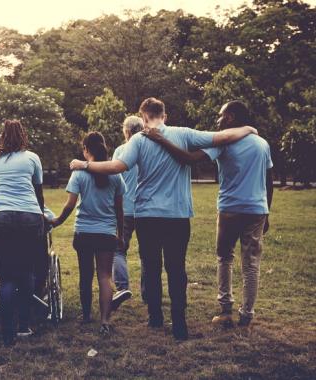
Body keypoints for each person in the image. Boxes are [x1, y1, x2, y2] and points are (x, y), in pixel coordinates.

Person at [70, 97, 258, 340]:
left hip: (147, 215)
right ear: (164, 116)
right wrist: (248, 129)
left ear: (144, 117)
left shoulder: (138, 140)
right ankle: (179, 324)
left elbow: (116, 167)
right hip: (177, 215)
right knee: (176, 268)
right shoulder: (184, 133)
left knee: (152, 267)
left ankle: (155, 318)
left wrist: (84, 165)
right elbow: (222, 137)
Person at [143, 100, 274, 328]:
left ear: (231, 117)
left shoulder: (224, 143)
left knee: (225, 257)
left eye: (221, 115)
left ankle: (226, 309)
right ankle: (247, 314)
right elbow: (268, 180)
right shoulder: (262, 144)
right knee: (251, 263)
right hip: (257, 210)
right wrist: (267, 212)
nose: (218, 119)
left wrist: (161, 139)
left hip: (230, 209)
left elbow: (189, 159)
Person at [52, 132, 126, 334]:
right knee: (104, 276)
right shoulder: (115, 175)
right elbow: (120, 209)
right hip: (106, 233)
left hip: (84, 232)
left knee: (86, 275)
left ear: (86, 150)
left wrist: (58, 221)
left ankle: (86, 316)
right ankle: (104, 321)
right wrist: (120, 234)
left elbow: (69, 205)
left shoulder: (78, 174)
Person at [0, 119, 45, 346]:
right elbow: (38, 194)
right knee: (26, 272)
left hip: (1, 218)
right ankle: (24, 325)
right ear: (23, 135)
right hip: (29, 217)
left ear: (2, 136)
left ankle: (6, 331)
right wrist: (42, 218)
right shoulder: (32, 158)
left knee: (6, 276)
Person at [111, 116, 143, 310]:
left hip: (125, 209)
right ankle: (148, 293)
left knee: (118, 249)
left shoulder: (121, 151)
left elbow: (114, 180)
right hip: (146, 209)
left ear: (126, 131)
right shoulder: (149, 151)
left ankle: (123, 287)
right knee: (147, 252)